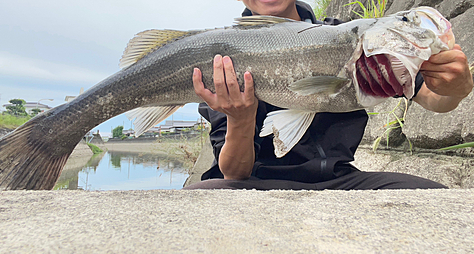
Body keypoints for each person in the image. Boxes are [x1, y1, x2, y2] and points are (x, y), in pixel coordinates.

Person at [184, 0, 474, 190]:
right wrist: (240, 119)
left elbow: (434, 97)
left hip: (337, 179)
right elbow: (233, 173)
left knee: (434, 196)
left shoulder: (348, 36)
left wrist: (457, 88)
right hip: (251, 182)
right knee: (202, 194)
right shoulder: (220, 57)